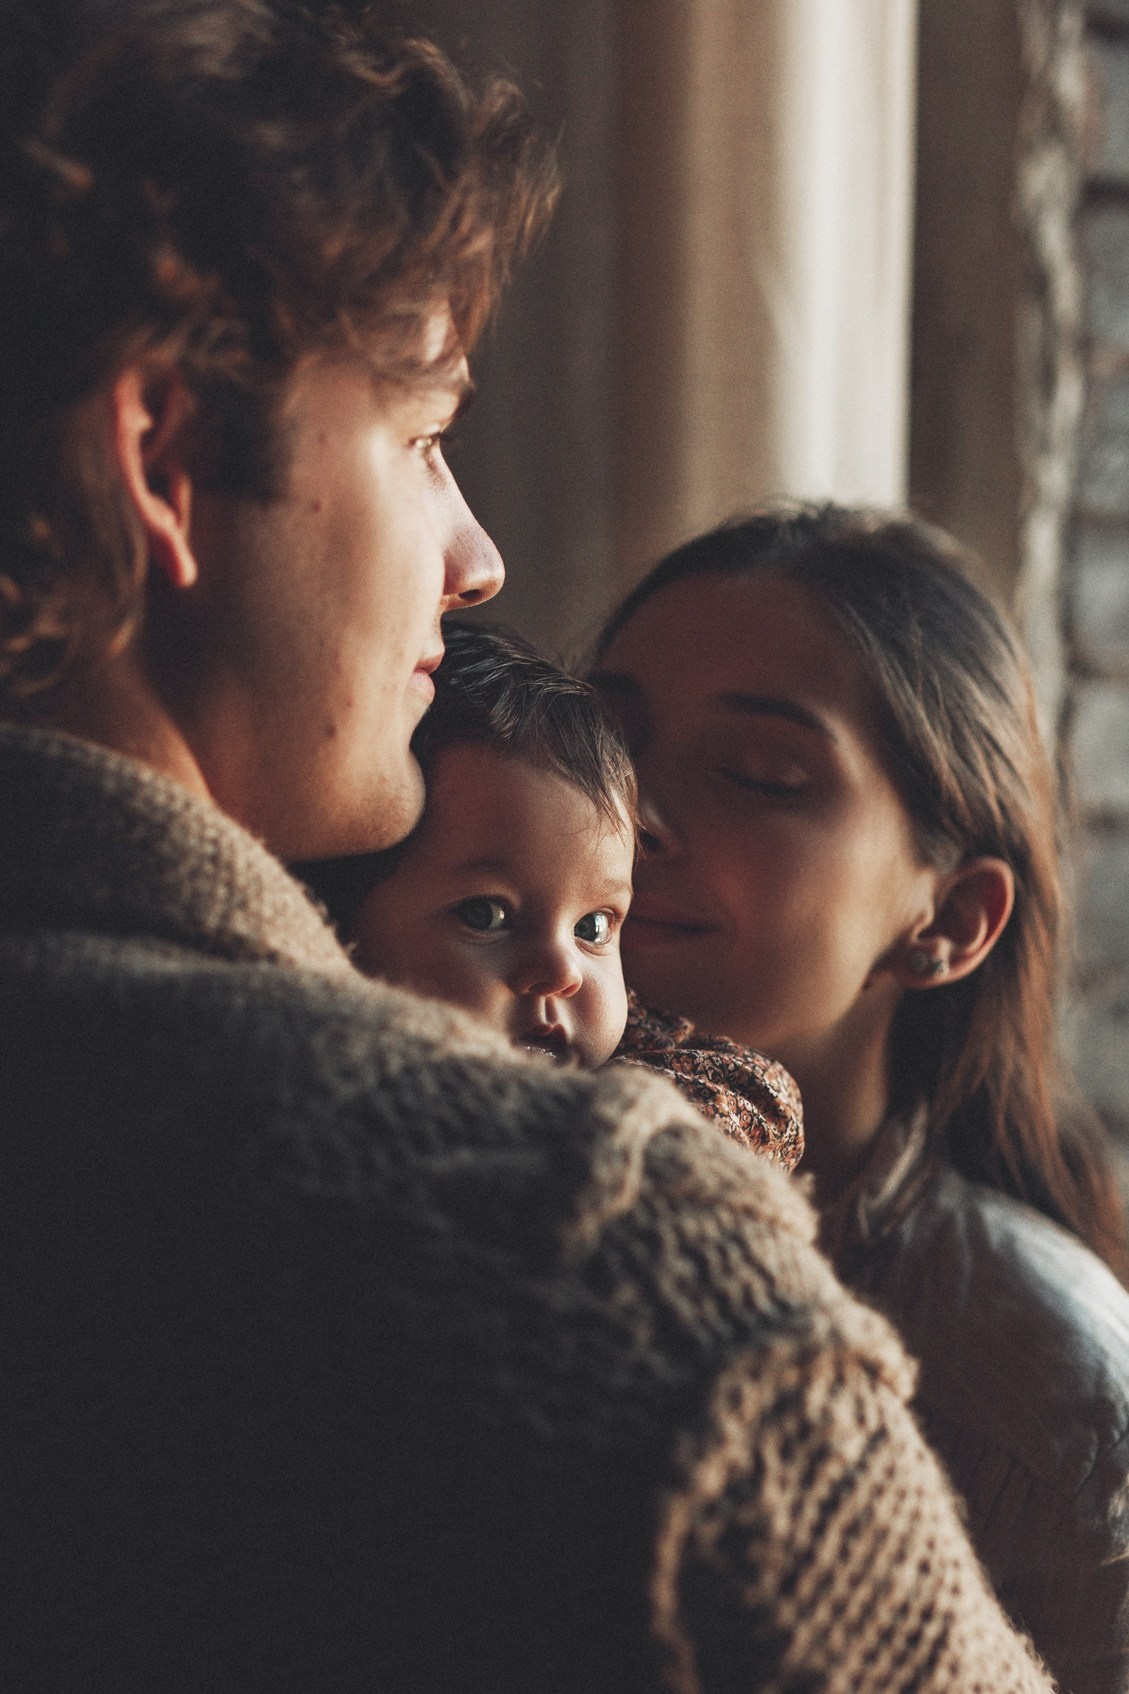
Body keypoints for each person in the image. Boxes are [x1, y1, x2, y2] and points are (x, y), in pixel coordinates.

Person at [0, 1, 1057, 1685]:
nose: (479, 553)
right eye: (421, 435)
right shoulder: (599, 1270)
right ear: (164, 452)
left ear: (954, 913)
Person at [591, 501, 1129, 1694]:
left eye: (759, 774)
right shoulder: (456, 1186)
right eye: (603, 743)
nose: (633, 812)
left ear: (947, 920)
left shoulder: (1054, 1386)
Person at [301, 620, 803, 1165]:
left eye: (592, 927)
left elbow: (763, 1097)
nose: (561, 971)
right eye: (486, 914)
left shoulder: (647, 1059)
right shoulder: (326, 1092)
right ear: (338, 927)